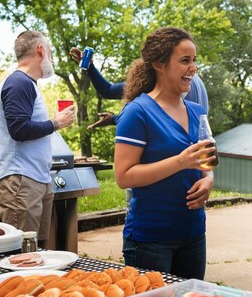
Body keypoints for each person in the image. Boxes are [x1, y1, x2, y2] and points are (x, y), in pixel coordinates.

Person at [114, 27, 216, 279]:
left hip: (193, 235)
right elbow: (124, 176)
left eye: (194, 61)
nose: (193, 68)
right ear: (159, 64)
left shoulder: (196, 111)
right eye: (185, 61)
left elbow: (205, 162)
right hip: (151, 240)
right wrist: (180, 162)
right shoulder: (137, 112)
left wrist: (208, 180)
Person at [0, 30, 76, 246]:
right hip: (20, 182)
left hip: (35, 179)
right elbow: (19, 129)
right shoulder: (19, 83)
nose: (52, 57)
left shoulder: (28, 84)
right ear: (40, 50)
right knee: (23, 255)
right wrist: (56, 123)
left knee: (38, 253)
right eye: (50, 51)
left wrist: (54, 123)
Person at [69, 47, 209, 130]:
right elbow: (110, 91)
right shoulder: (191, 78)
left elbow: (157, 120)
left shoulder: (166, 81)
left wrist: (115, 119)